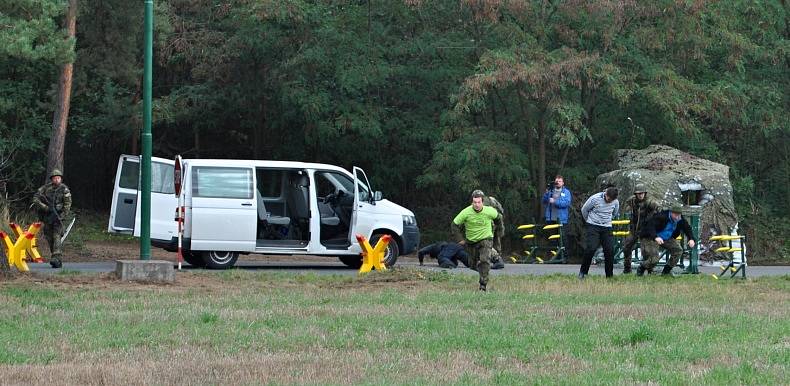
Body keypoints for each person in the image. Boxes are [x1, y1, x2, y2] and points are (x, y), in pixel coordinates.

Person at [451, 190, 500, 291]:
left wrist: (496, 232)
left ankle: (483, 284)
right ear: (472, 202)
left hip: (486, 239)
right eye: (475, 202)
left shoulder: (490, 211)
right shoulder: (466, 212)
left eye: (479, 202)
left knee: (484, 260)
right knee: (471, 265)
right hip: (471, 241)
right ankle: (483, 269)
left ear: (483, 202)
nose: (477, 205)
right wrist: (460, 239)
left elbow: (498, 219)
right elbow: (454, 225)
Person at [637, 205, 696, 276]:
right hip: (650, 237)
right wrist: (655, 237)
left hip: (666, 238)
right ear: (671, 212)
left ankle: (666, 271)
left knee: (678, 250)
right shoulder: (662, 216)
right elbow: (650, 226)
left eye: (679, 215)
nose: (677, 217)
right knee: (654, 259)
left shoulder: (680, 219)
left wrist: (691, 239)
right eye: (675, 214)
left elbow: (687, 228)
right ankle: (642, 268)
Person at [32, 169, 72, 268]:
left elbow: (67, 204)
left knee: (57, 236)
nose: (56, 180)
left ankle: (56, 257)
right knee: (49, 237)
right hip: (47, 217)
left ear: (61, 179)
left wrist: (62, 216)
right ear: (52, 179)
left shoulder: (64, 189)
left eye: (58, 178)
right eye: (55, 178)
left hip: (58, 216)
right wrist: (45, 207)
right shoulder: (46, 188)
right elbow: (35, 198)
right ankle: (56, 259)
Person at [579, 187, 620, 279]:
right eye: (608, 199)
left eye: (611, 200)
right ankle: (583, 272)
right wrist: (589, 222)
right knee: (591, 248)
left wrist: (607, 220)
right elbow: (584, 210)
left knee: (609, 250)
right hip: (593, 225)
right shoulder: (595, 198)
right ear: (606, 194)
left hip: (606, 227)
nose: (609, 201)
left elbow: (614, 213)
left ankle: (609, 275)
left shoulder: (615, 202)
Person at [621, 183, 660, 273]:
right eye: (639, 193)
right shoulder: (632, 201)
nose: (641, 195)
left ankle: (650, 270)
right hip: (634, 229)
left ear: (645, 193)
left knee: (646, 251)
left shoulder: (650, 202)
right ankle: (627, 268)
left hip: (645, 230)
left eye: (642, 193)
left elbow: (659, 209)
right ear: (635, 194)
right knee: (626, 247)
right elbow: (626, 204)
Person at [541, 175, 572, 263]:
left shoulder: (566, 192)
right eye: (556, 181)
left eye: (559, 181)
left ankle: (565, 258)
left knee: (563, 239)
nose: (557, 182)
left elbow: (566, 203)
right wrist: (546, 193)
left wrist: (555, 201)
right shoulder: (551, 191)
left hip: (561, 219)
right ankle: (555, 257)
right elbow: (544, 201)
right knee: (553, 239)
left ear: (563, 183)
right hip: (551, 218)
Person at [473, 189, 506, 270]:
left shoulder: (478, 203)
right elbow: (501, 210)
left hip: (488, 224)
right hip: (497, 221)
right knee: (496, 240)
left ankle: (496, 259)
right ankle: (497, 258)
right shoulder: (492, 199)